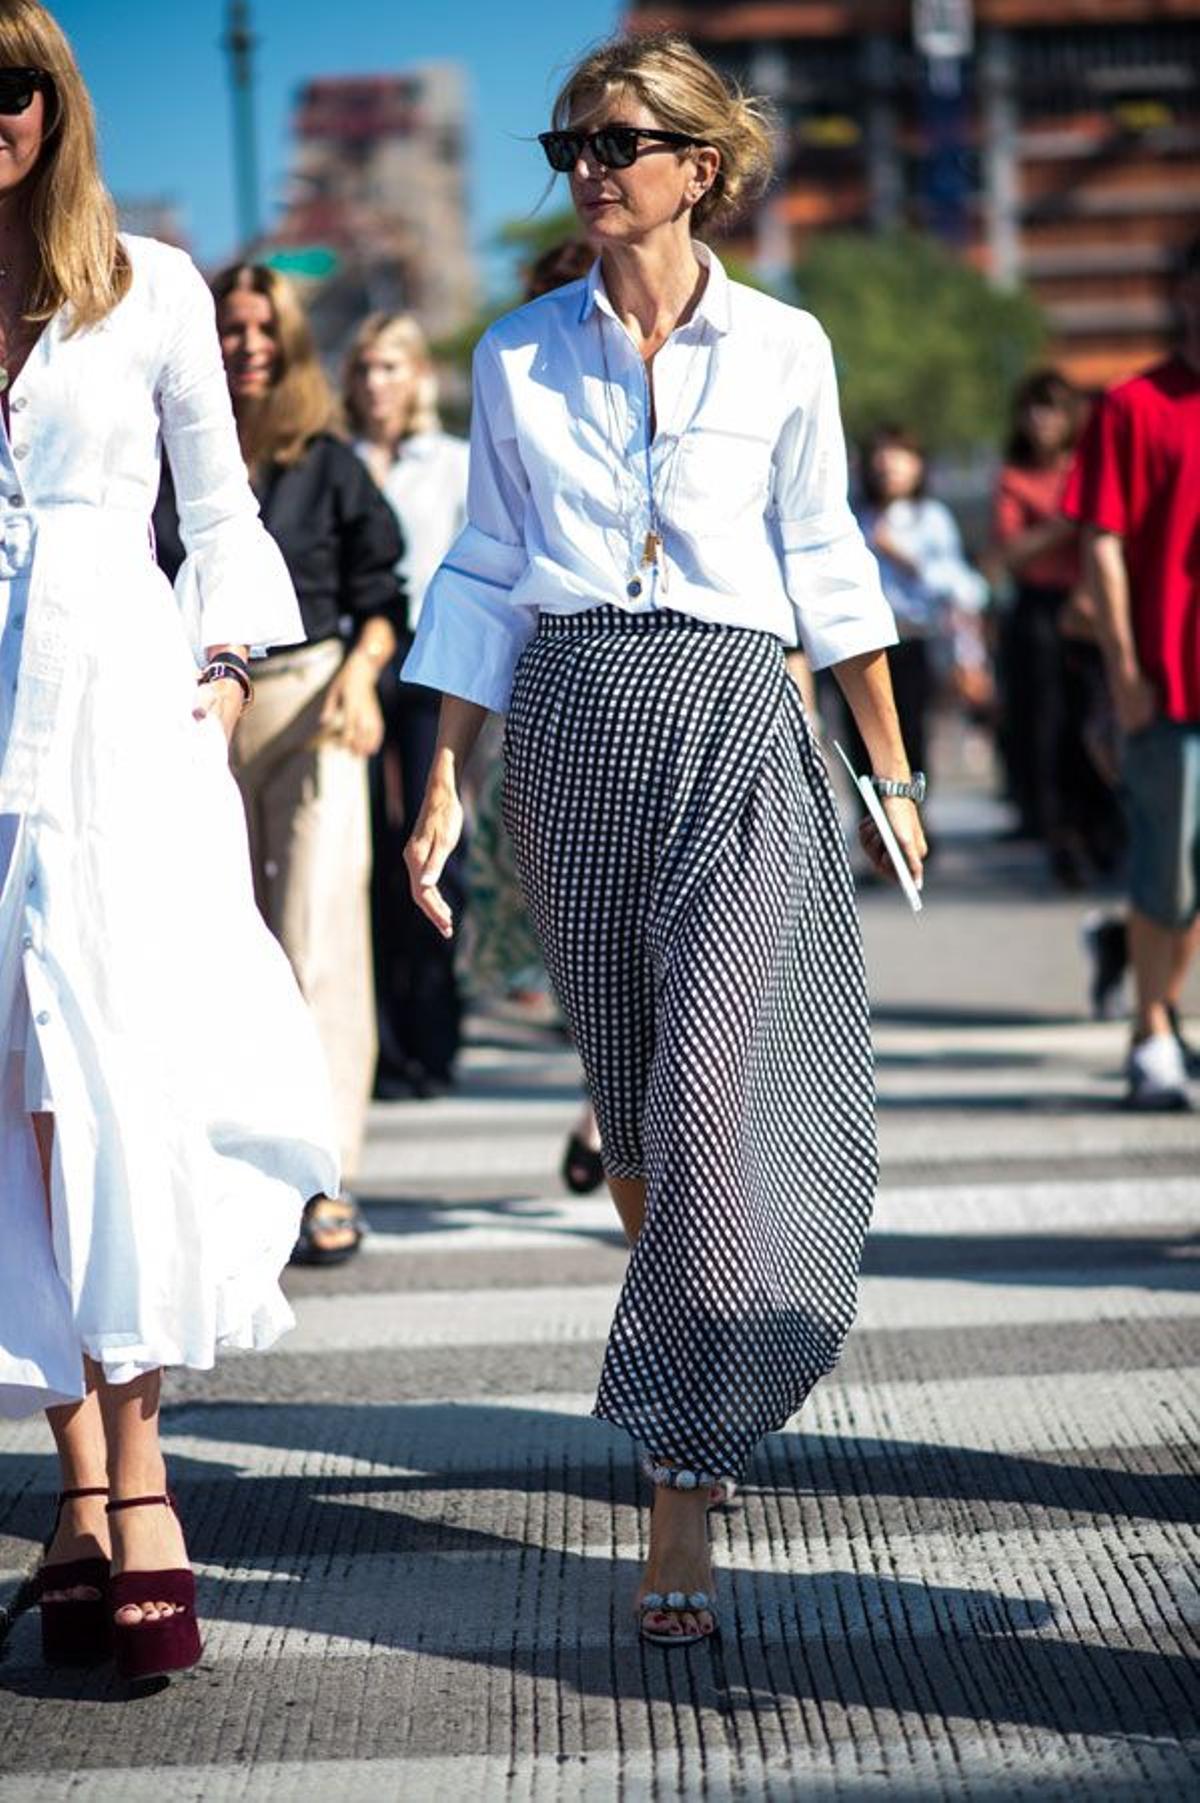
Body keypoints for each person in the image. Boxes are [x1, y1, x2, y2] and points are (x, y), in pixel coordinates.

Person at [402, 34, 925, 1648]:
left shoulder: (784, 347)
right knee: (635, 1119)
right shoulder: (514, 355)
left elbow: (824, 557)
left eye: (619, 142)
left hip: (733, 730)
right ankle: (692, 1393)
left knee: (712, 1100)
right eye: (570, 144)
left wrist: (890, 772)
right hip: (570, 734)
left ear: (702, 163)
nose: (588, 168)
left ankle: (682, 1476)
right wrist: (441, 782)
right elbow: (487, 570)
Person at [0, 1, 338, 1681]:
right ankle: (73, 1482)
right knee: (10, 1097)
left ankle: (142, 1475)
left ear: (59, 102)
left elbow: (216, 509)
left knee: (110, 1079)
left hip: (118, 718)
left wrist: (218, 670)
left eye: (13, 85)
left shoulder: (150, 287)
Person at [155, 267, 405, 1261]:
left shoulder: (329, 460)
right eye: (229, 327)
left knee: (318, 938)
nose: (246, 343)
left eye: (264, 328)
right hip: (193, 704)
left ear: (291, 342)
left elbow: (385, 594)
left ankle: (328, 1176)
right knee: (210, 940)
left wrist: (361, 676)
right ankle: (224, 1166)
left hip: (310, 702)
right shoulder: (171, 453)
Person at [1063, 235, 1200, 1110]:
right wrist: (1124, 664)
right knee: (1170, 865)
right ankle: (1151, 1029)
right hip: (1170, 673)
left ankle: (1159, 1003)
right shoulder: (1134, 405)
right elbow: (1102, 544)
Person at [342, 312, 468, 1098]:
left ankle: (435, 1032)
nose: (376, 383)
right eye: (364, 369)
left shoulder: (453, 464)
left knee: (426, 848)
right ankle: (382, 1042)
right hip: (360, 661)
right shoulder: (340, 461)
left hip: (433, 660)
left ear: (418, 375)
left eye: (391, 367)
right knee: (365, 850)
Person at [990, 369, 1123, 886]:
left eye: (1051, 409)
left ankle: (1105, 825)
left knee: (1096, 717)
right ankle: (1059, 833)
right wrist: (1068, 523)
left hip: (1091, 603)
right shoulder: (1013, 477)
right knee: (1045, 723)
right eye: (1033, 410)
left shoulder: (1091, 467)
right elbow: (1010, 552)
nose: (1041, 421)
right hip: (1038, 609)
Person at [841, 423, 986, 788]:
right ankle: (873, 818)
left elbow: (963, 587)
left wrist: (905, 557)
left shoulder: (931, 518)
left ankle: (914, 811)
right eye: (882, 456)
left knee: (910, 731)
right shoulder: (853, 517)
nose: (889, 465)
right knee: (861, 734)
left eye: (900, 456)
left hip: (913, 638)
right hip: (861, 640)